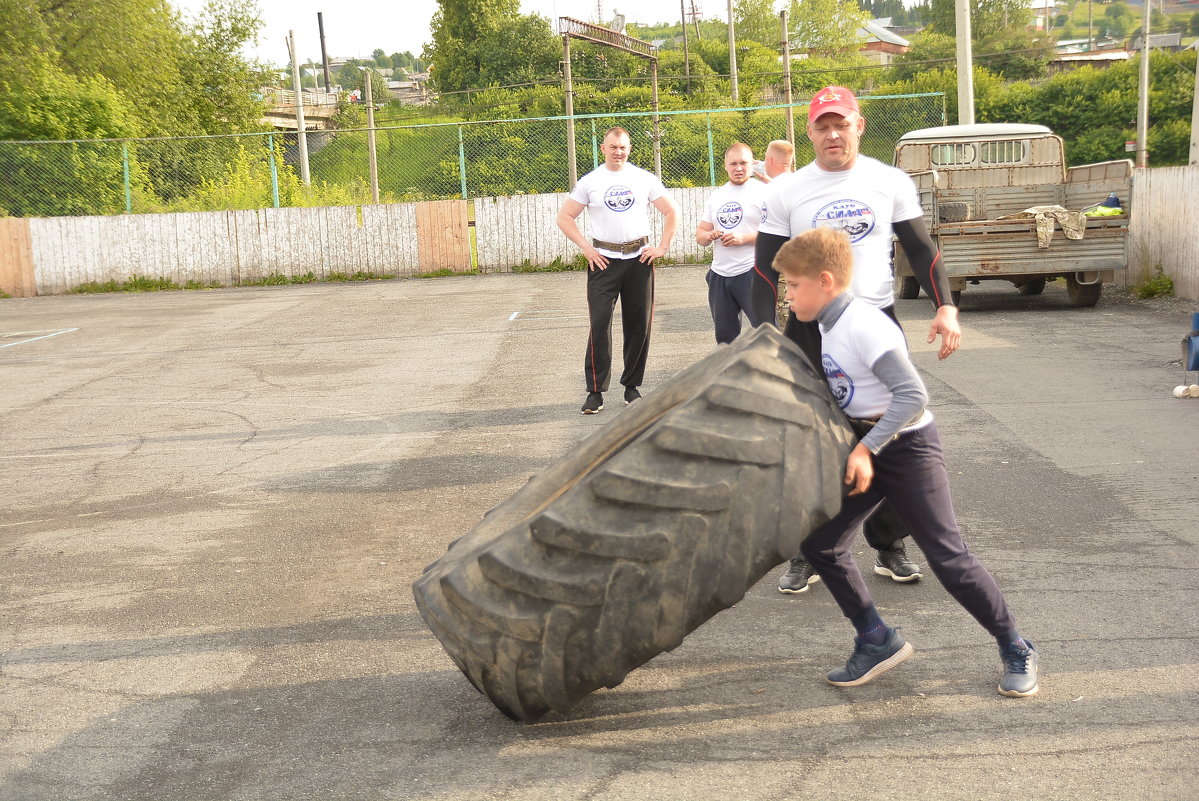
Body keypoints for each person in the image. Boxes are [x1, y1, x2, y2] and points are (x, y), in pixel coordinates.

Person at [775, 225, 1039, 697]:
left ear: (825, 281)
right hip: (870, 443)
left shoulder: (863, 324)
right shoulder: (827, 323)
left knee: (948, 558)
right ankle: (876, 640)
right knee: (820, 543)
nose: (787, 295)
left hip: (907, 447)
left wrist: (864, 448)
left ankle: (1014, 644)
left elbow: (913, 396)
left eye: (793, 285)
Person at [752, 86, 961, 595]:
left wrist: (947, 305)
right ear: (809, 133)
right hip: (810, 332)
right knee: (808, 443)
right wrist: (762, 335)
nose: (832, 134)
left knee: (893, 435)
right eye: (822, 126)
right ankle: (809, 549)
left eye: (840, 124)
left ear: (858, 126)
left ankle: (889, 543)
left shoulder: (887, 181)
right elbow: (763, 267)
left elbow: (920, 247)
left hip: (875, 324)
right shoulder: (786, 191)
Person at [557, 127, 679, 414]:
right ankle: (595, 392)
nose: (618, 152)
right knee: (599, 324)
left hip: (639, 259)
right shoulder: (591, 181)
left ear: (630, 148)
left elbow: (671, 211)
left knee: (639, 325)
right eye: (613, 147)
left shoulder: (643, 178)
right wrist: (587, 249)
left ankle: (632, 387)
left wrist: (661, 247)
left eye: (623, 147)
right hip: (604, 261)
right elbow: (564, 217)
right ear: (603, 149)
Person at [696, 143, 769, 344]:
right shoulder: (717, 196)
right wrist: (708, 235)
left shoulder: (764, 192)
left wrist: (743, 238)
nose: (738, 168)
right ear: (725, 166)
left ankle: (773, 375)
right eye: (733, 163)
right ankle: (730, 375)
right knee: (725, 339)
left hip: (752, 271)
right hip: (720, 275)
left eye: (743, 163)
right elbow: (700, 234)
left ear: (752, 164)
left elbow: (777, 234)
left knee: (767, 333)